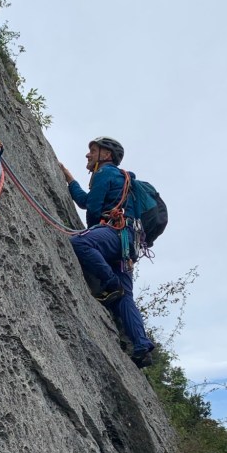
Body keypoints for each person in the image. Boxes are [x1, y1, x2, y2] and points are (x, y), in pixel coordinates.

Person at [59, 137, 154, 368]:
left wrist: (71, 182)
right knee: (126, 297)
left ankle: (111, 285)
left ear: (107, 155)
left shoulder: (105, 172)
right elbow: (90, 203)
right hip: (128, 244)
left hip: (115, 234)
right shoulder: (124, 179)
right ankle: (141, 346)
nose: (88, 155)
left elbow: (90, 206)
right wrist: (71, 180)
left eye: (93, 150)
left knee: (80, 243)